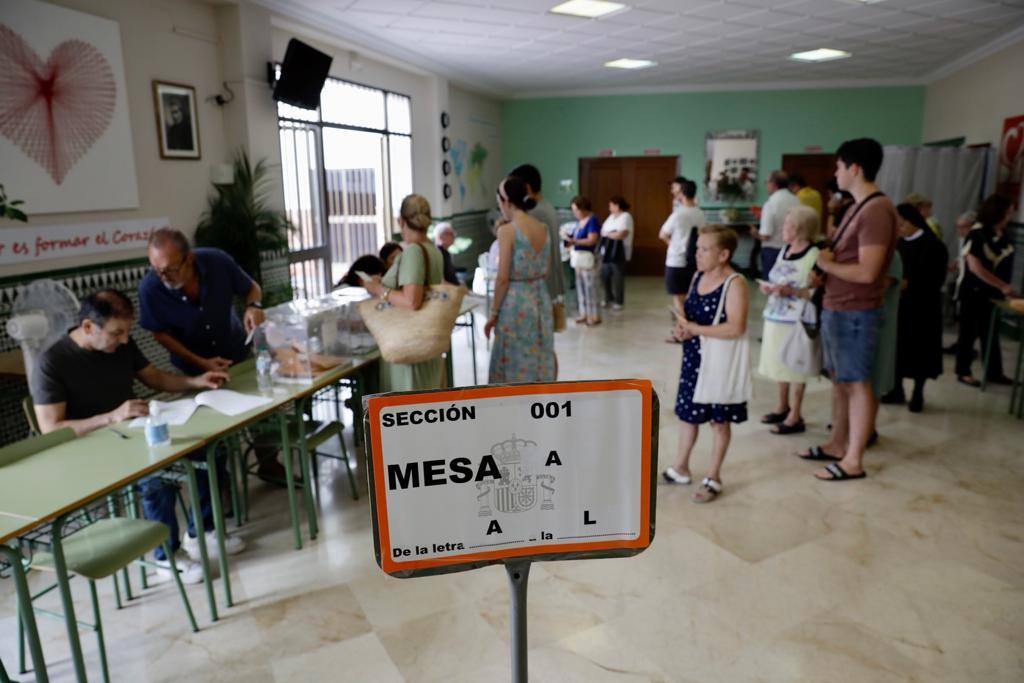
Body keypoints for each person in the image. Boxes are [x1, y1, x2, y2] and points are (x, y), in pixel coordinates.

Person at [29, 290, 235, 584]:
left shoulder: (121, 345)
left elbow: (156, 378)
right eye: (116, 333)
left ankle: (202, 530)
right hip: (89, 451)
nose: (125, 340)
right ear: (88, 327)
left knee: (209, 449)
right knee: (154, 475)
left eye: (127, 331)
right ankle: (167, 557)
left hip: (133, 433)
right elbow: (51, 429)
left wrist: (195, 381)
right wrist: (112, 416)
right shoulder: (52, 363)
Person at [138, 229, 286, 482]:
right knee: (212, 426)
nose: (163, 276)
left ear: (189, 259)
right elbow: (160, 334)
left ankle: (268, 463)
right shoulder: (151, 288)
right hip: (194, 365)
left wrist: (254, 306)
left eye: (170, 269)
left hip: (235, 349)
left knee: (263, 409)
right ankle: (222, 484)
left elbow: (251, 288)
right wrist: (200, 363)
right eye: (156, 269)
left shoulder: (216, 261)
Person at [803, 138, 898, 482]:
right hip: (838, 307)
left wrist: (827, 266)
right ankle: (836, 443)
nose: (836, 173)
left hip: (856, 311)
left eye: (839, 167)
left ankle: (853, 459)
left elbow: (869, 272)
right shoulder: (857, 206)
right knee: (841, 382)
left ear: (854, 168)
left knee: (856, 382)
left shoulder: (875, 210)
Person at [661, 226, 749, 503]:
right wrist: (682, 329)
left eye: (704, 249)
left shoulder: (735, 283)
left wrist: (695, 329)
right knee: (689, 414)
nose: (697, 255)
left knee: (719, 420)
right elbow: (691, 314)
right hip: (695, 357)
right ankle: (681, 467)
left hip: (720, 362)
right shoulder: (698, 276)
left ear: (723, 254)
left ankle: (713, 475)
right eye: (697, 248)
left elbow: (736, 327)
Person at [363, 194, 447, 392]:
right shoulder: (432, 249)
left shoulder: (413, 252)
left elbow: (412, 301)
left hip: (409, 345)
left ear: (401, 221)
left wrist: (378, 289)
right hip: (425, 340)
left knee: (409, 407)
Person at [484, 176, 555, 382]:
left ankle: (514, 407)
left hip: (516, 303)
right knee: (539, 354)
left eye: (500, 204)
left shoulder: (507, 231)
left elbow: (503, 277)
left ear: (506, 202)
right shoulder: (542, 228)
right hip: (541, 298)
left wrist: (493, 313)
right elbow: (546, 270)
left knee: (514, 359)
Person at [757, 206, 821, 435]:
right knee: (778, 363)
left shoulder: (815, 254)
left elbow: (816, 290)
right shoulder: (785, 249)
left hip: (797, 319)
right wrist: (770, 288)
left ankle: (796, 415)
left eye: (787, 225)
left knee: (795, 366)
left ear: (800, 229)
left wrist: (791, 292)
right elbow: (776, 276)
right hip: (775, 315)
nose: (782, 229)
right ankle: (782, 406)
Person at [882, 204, 949, 411]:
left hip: (923, 307)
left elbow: (937, 278)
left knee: (921, 350)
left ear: (913, 222)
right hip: (900, 307)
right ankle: (897, 389)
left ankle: (918, 392)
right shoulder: (899, 244)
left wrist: (910, 284)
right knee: (898, 348)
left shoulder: (934, 246)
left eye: (902, 224)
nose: (900, 229)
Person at [954, 194, 1018, 387]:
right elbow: (976, 268)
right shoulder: (978, 233)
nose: (1009, 218)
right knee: (969, 333)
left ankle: (994, 372)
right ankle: (963, 371)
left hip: (993, 294)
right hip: (974, 292)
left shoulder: (1001, 234)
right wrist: (1002, 285)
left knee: (989, 333)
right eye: (1007, 213)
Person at [509, 164, 565, 303]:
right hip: (549, 279)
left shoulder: (536, 212)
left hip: (541, 282)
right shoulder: (546, 205)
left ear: (527, 188)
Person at [660, 178, 706, 324]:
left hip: (676, 260)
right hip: (693, 260)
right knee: (688, 295)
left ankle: (683, 329)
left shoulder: (678, 214)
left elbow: (663, 234)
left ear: (681, 195)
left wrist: (673, 244)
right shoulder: (700, 213)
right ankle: (689, 325)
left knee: (678, 298)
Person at [752, 170, 801, 277]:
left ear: (773, 184)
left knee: (771, 285)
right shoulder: (796, 200)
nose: (765, 185)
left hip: (772, 251)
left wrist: (755, 233)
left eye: (766, 182)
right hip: (793, 248)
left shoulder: (771, 203)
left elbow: (765, 236)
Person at [567, 195, 602, 326]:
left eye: (576, 210)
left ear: (583, 208)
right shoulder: (579, 222)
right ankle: (584, 313)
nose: (575, 213)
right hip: (578, 259)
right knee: (580, 287)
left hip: (589, 258)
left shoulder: (592, 220)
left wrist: (574, 241)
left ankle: (595, 315)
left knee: (591, 288)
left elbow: (592, 239)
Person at [599, 195, 633, 310]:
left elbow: (621, 234)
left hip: (619, 251)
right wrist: (610, 233)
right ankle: (609, 298)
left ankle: (619, 301)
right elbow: (603, 231)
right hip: (607, 251)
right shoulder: (611, 217)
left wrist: (609, 234)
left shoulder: (626, 216)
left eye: (611, 205)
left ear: (617, 206)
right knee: (605, 275)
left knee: (617, 276)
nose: (609, 208)